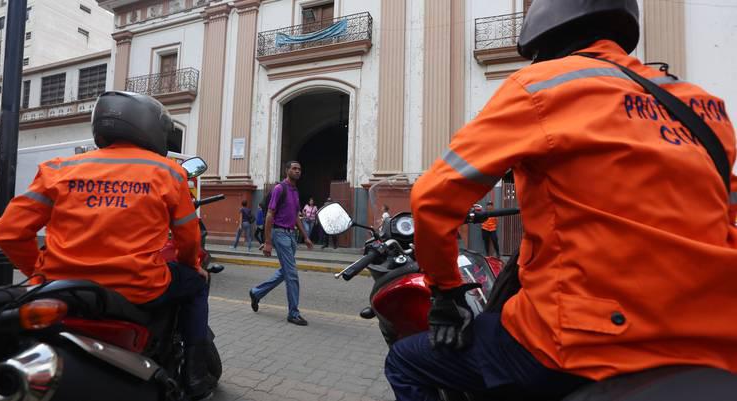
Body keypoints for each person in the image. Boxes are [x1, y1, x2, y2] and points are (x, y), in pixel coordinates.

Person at [385, 1, 737, 400]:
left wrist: (446, 292)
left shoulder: (542, 85)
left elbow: (433, 196)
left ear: (545, 34)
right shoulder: (701, 106)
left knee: (405, 360)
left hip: (585, 339)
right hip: (714, 338)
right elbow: (724, 210)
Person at [0, 91, 217, 399]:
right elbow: (188, 240)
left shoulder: (58, 169)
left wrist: (40, 270)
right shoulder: (167, 172)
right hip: (139, 288)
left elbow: (7, 231)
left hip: (63, 288)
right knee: (196, 283)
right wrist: (193, 267)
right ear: (151, 128)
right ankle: (195, 374)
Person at [248, 161, 313, 326]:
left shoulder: (295, 191)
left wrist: (305, 236)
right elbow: (270, 215)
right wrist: (268, 241)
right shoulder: (279, 189)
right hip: (280, 234)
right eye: (294, 168)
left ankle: (256, 293)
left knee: (284, 272)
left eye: (299, 169)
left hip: (291, 236)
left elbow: (296, 216)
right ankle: (293, 313)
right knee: (292, 275)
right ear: (287, 171)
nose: (297, 171)